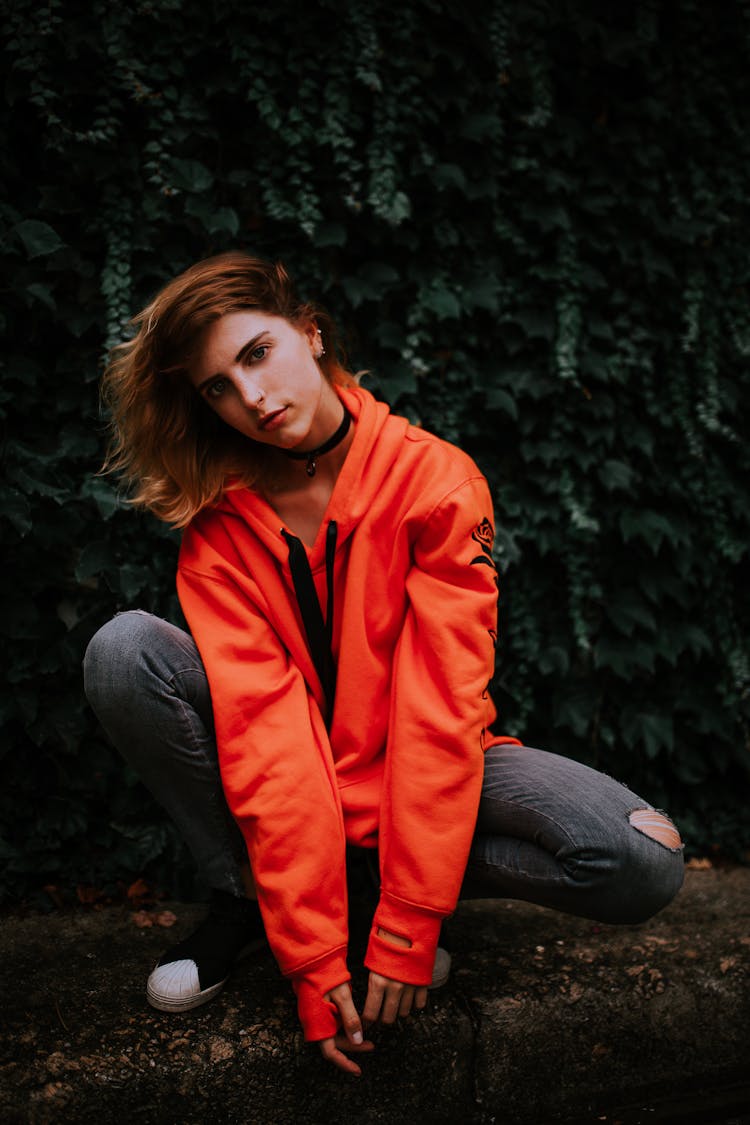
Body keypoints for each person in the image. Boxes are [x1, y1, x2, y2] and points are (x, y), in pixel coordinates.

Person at [83, 251, 685, 1076]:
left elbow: (442, 710)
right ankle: (252, 903)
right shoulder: (219, 525)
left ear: (311, 332)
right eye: (218, 386)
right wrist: (312, 957)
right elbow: (265, 732)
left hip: (412, 760)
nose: (250, 398)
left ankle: (374, 901)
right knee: (124, 651)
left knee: (640, 859)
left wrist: (407, 925)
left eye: (257, 353)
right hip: (292, 771)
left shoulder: (434, 482)